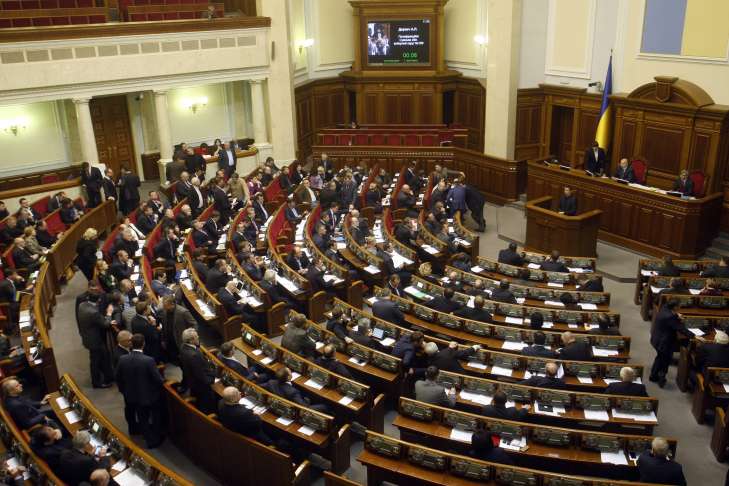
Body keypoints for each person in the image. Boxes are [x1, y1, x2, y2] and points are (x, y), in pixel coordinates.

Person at [115, 333, 165, 448]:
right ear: (143, 344)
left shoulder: (123, 359)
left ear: (132, 344)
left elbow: (117, 377)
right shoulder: (148, 360)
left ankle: (145, 435)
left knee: (141, 417)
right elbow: (158, 379)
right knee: (152, 416)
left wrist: (124, 391)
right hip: (148, 396)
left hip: (131, 395)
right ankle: (153, 440)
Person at [77, 293, 114, 388]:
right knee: (96, 361)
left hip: (87, 337)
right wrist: (109, 313)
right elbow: (106, 324)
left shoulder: (82, 305)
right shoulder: (93, 312)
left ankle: (105, 377)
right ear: (98, 301)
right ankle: (97, 383)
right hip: (95, 340)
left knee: (97, 358)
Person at [650, 302, 689, 387]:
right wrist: (694, 336)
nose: (679, 308)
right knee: (665, 360)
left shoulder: (664, 308)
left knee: (660, 357)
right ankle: (661, 379)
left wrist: (677, 315)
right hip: (664, 342)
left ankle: (653, 376)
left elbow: (671, 317)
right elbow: (680, 328)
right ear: (675, 307)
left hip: (657, 338)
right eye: (678, 306)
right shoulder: (671, 317)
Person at [179, 328, 216, 413]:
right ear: (191, 340)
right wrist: (212, 380)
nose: (198, 337)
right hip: (201, 387)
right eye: (196, 337)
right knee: (207, 404)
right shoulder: (194, 356)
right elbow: (200, 375)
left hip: (192, 382)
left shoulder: (183, 347)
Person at [263, 366, 328, 413]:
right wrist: (308, 398)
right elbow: (304, 407)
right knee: (324, 406)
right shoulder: (292, 392)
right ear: (288, 377)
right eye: (290, 372)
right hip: (291, 410)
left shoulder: (271, 383)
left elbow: (260, 387)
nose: (291, 372)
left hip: (278, 404)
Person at [159, 294, 196, 363]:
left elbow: (194, 324)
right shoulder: (165, 311)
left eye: (166, 306)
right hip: (170, 341)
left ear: (172, 304)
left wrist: (190, 337)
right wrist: (163, 339)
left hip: (180, 341)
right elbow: (164, 326)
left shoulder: (183, 312)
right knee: (175, 359)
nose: (164, 307)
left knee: (184, 361)